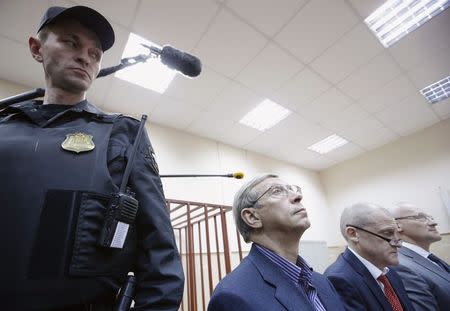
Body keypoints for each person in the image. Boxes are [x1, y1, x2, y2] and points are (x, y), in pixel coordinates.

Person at [0, 6, 184, 310]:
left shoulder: (124, 134)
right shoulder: (5, 128)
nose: (86, 57)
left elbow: (160, 258)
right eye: (71, 43)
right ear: (37, 48)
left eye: (95, 53)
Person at [208, 173, 345, 311]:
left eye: (293, 189)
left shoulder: (323, 282)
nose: (298, 197)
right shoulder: (232, 296)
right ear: (252, 217)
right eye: (277, 191)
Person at [324, 203, 415, 311]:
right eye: (387, 233)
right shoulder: (338, 280)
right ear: (353, 234)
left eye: (397, 234)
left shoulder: (389, 272)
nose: (398, 244)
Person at [390, 202, 450, 311]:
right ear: (397, 226)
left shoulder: (427, 258)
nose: (434, 223)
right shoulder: (401, 265)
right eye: (421, 217)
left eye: (430, 217)